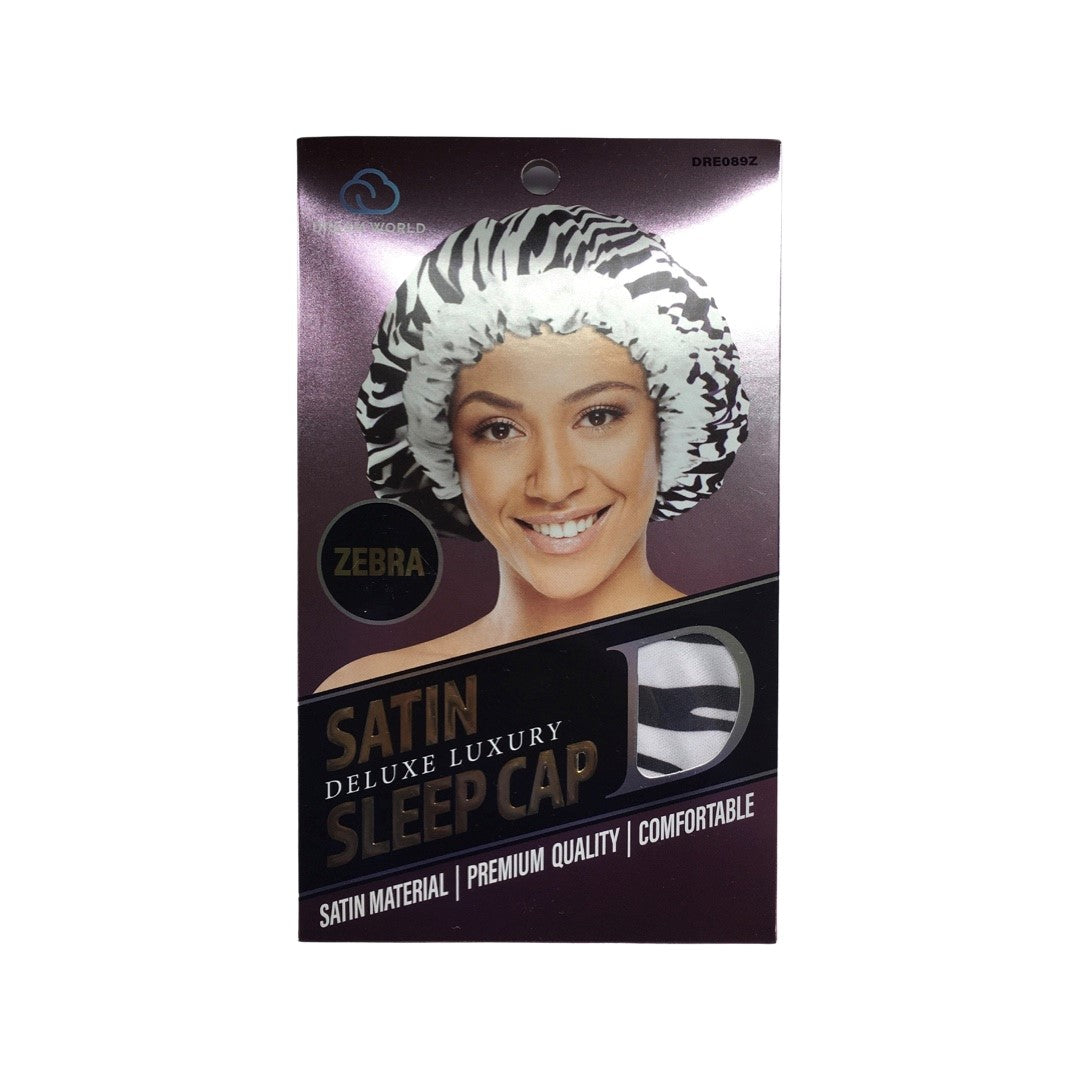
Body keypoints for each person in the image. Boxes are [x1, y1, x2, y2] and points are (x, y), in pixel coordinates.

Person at [318, 205, 748, 690]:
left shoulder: (750, 675)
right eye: (500, 430)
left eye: (598, 416)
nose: (554, 485)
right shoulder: (377, 699)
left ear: (670, 426)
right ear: (442, 451)